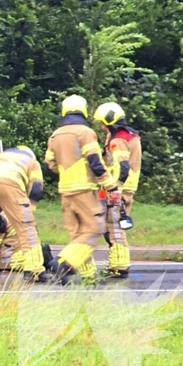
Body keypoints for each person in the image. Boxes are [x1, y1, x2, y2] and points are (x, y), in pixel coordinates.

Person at [45, 95, 120, 285]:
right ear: (84, 111)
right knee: (95, 229)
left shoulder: (55, 135)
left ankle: (87, 275)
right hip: (84, 190)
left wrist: (66, 169)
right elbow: (95, 161)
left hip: (65, 191)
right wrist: (110, 184)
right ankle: (62, 262)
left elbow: (50, 164)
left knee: (79, 234)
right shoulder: (85, 132)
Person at [0, 146, 47, 282]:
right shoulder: (31, 161)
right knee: (26, 228)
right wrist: (29, 213)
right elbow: (36, 188)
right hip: (11, 183)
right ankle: (34, 269)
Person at [93, 101, 142, 279]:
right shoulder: (130, 135)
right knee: (111, 226)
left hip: (118, 189)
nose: (102, 127)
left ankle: (119, 266)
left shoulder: (119, 140)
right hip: (125, 187)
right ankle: (116, 263)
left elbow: (123, 166)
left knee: (114, 228)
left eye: (103, 124)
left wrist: (116, 189)